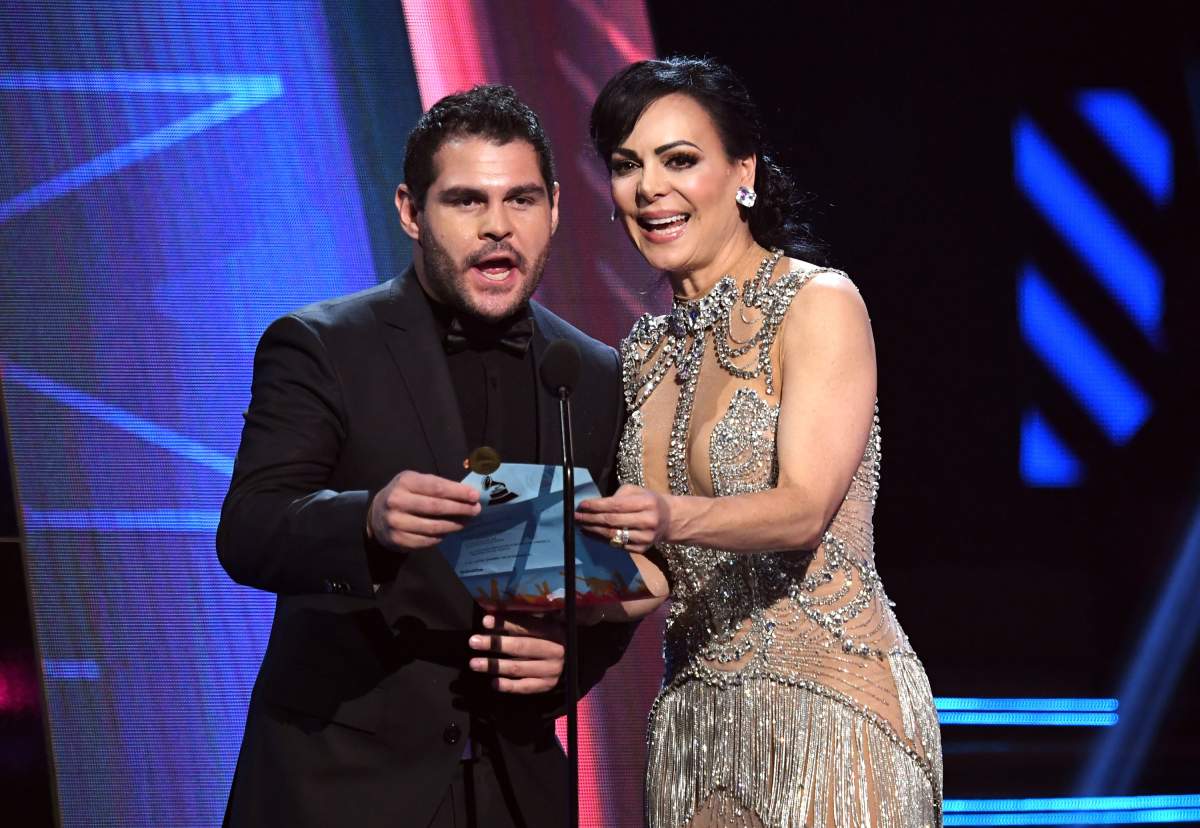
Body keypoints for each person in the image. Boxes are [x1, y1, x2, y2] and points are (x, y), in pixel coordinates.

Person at [217, 84, 636, 828]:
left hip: (516, 791)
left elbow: (609, 572)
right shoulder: (321, 345)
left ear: (554, 208)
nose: (498, 226)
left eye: (521, 200)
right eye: (467, 200)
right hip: (341, 787)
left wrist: (564, 662)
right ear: (411, 211)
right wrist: (366, 522)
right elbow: (249, 528)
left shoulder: (592, 371)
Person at [576, 57, 943, 827]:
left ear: (743, 171)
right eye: (627, 165)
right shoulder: (643, 353)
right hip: (693, 731)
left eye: (679, 160)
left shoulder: (818, 302)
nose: (649, 189)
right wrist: (523, 571)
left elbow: (804, 509)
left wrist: (665, 515)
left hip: (831, 716)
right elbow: (657, 574)